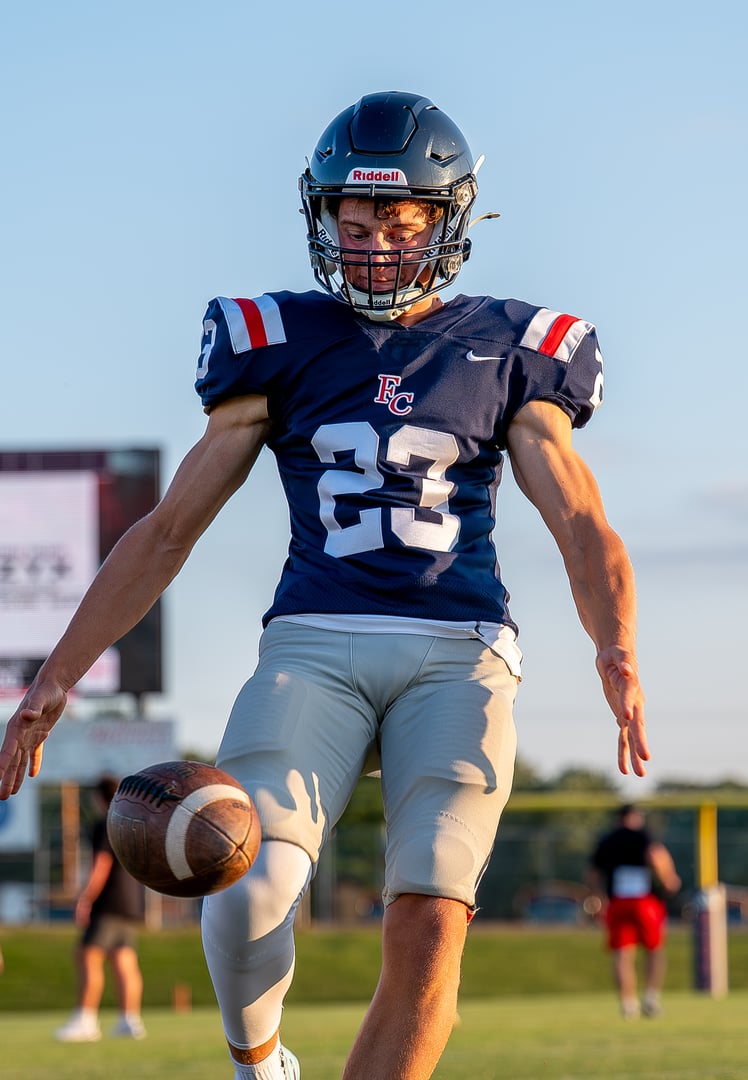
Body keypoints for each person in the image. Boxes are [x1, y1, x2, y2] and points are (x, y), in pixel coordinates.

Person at [0, 90, 649, 1079]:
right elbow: (168, 529)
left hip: (460, 652)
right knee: (247, 882)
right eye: (355, 225)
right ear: (323, 221)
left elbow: (578, 517)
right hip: (315, 642)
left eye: (399, 224)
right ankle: (260, 1065)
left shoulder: (515, 347)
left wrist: (614, 642)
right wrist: (57, 676)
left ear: (449, 220)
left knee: (431, 925)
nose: (376, 248)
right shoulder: (276, 337)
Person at [54, 775, 147, 1042]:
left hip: (108, 903)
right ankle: (130, 1021)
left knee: (88, 957)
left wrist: (85, 898)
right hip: (131, 903)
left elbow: (101, 865)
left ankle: (85, 1019)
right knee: (124, 960)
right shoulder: (131, 824)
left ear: (99, 797)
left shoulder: (104, 823)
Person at [588, 804, 681, 1019]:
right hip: (644, 901)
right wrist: (668, 879)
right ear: (634, 817)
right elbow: (656, 855)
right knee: (654, 949)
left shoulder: (607, 840)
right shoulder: (643, 836)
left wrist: (595, 897)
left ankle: (628, 1004)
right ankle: (651, 998)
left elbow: (593, 873)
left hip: (618, 901)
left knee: (622, 954)